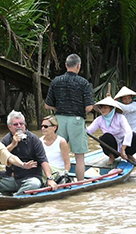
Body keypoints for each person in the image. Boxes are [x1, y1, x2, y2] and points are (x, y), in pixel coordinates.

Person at [45, 53, 94, 181]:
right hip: (77, 120)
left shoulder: (56, 81)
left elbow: (47, 105)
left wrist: (59, 108)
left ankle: (54, 179)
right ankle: (80, 184)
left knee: (58, 152)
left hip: (58, 120)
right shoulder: (83, 83)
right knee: (79, 157)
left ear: (66, 65)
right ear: (79, 66)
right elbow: (89, 107)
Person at [0, 110, 58, 195]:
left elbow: (43, 160)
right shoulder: (6, 140)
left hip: (30, 178)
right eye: (15, 124)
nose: (19, 126)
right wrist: (13, 144)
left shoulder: (33, 139)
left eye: (21, 124)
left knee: (34, 184)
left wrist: (50, 179)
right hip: (12, 178)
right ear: (9, 127)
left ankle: (15, 198)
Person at [86, 97, 136, 165]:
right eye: (101, 108)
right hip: (112, 147)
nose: (102, 110)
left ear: (111, 109)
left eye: (105, 108)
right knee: (105, 137)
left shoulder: (120, 117)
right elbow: (89, 131)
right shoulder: (99, 119)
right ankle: (111, 157)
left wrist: (123, 149)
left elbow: (128, 131)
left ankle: (130, 155)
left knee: (134, 135)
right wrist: (82, 123)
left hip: (125, 145)